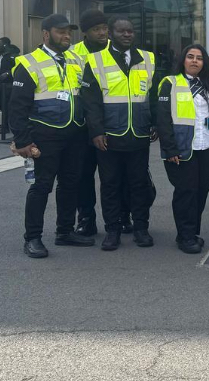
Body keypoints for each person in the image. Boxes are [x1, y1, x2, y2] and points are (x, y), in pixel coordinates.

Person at [9, 14, 94, 258]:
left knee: (70, 184)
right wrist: (23, 140)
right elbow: (17, 107)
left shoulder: (76, 59)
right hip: (45, 135)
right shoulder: (28, 62)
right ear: (46, 34)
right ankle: (32, 238)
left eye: (69, 31)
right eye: (60, 31)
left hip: (75, 133)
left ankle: (65, 231)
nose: (67, 35)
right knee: (41, 186)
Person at [81, 17, 158, 252]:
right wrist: (96, 131)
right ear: (111, 34)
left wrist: (153, 122)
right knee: (110, 184)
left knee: (138, 183)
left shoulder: (147, 58)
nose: (127, 34)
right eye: (121, 31)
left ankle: (141, 228)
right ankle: (112, 230)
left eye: (130, 31)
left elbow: (152, 95)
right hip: (109, 136)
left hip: (138, 133)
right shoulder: (95, 61)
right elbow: (90, 101)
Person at [155, 45, 209, 255]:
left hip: (208, 145)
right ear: (183, 60)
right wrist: (170, 148)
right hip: (183, 148)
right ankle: (185, 236)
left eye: (199, 58)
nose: (195, 61)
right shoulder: (170, 83)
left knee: (201, 191)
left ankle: (190, 231)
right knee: (186, 192)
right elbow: (163, 118)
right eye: (190, 57)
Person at [71, 9, 114, 237]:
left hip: (111, 123)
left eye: (105, 28)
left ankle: (120, 217)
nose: (103, 33)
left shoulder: (115, 51)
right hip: (80, 126)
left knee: (114, 176)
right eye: (97, 29)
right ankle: (86, 219)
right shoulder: (73, 54)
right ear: (85, 32)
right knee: (83, 175)